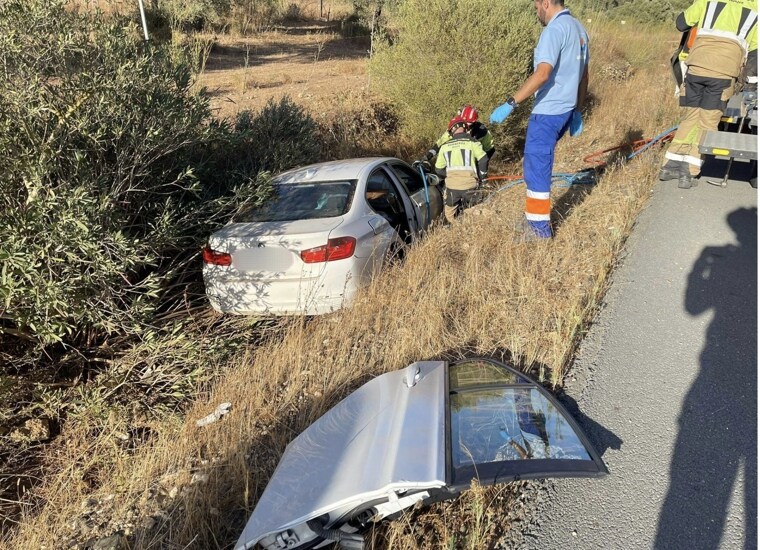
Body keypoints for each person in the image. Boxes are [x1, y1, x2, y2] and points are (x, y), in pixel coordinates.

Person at [489, 0, 589, 241]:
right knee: (538, 166)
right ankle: (533, 218)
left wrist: (511, 103)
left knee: (536, 169)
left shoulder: (553, 31)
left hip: (548, 112)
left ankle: (538, 230)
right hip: (566, 109)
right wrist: (578, 108)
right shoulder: (578, 29)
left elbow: (543, 73)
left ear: (546, 3)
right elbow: (584, 74)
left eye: (536, 7)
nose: (536, 13)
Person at [658, 0, 758, 190]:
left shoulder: (707, 1)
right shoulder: (754, 9)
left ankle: (669, 165)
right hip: (723, 73)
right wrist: (751, 85)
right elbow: (755, 52)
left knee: (690, 116)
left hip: (696, 68)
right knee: (708, 122)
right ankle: (689, 171)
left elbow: (681, 23)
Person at [435, 116, 489, 223]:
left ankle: (458, 227)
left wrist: (450, 176)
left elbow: (438, 169)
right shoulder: (473, 142)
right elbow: (484, 160)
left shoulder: (445, 147)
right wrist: (482, 178)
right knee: (479, 210)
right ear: (465, 128)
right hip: (470, 185)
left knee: (449, 215)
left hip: (452, 188)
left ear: (452, 130)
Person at [425, 105, 496, 163]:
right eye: (463, 123)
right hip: (453, 161)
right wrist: (428, 156)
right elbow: (441, 142)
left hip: (472, 164)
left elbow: (489, 150)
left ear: (474, 122)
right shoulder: (454, 127)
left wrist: (481, 166)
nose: (465, 127)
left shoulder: (482, 131)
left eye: (469, 124)